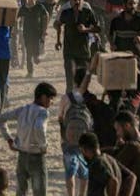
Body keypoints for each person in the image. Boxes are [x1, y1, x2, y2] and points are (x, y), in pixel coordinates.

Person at [0, 82, 59, 196]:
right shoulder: (43, 112)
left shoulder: (23, 109)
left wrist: (9, 139)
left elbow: (1, 118)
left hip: (22, 156)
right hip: (36, 157)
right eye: (50, 99)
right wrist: (43, 146)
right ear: (43, 97)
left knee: (21, 191)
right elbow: (39, 127)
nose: (51, 102)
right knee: (39, 192)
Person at [58, 65, 95, 196]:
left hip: (68, 139)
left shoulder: (66, 97)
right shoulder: (90, 98)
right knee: (84, 172)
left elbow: (60, 118)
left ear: (74, 80)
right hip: (85, 139)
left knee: (70, 171)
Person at [55, 0, 100, 91]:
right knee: (70, 77)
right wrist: (58, 41)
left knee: (83, 80)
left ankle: (81, 101)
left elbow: (98, 28)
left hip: (83, 51)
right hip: (69, 50)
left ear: (83, 1)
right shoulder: (66, 13)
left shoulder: (87, 12)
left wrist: (86, 29)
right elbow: (58, 24)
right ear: (70, 1)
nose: (77, 2)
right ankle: (69, 100)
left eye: (79, 0)